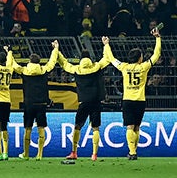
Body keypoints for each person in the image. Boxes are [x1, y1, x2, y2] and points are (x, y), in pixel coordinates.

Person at [103, 26, 162, 160]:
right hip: (140, 100)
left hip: (128, 100)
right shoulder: (144, 67)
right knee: (136, 127)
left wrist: (106, 45)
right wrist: (158, 38)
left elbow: (111, 59)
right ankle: (133, 151)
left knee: (130, 127)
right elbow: (156, 55)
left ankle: (132, 152)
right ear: (140, 58)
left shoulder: (124, 67)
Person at [58, 43, 110, 161]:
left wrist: (57, 51)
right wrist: (106, 45)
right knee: (95, 128)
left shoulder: (77, 69)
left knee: (77, 127)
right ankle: (94, 154)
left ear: (80, 59)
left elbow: (64, 64)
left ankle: (74, 152)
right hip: (96, 101)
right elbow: (106, 59)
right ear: (90, 59)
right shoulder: (96, 67)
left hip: (84, 103)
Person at [11, 40, 59, 161]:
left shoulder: (24, 71)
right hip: (42, 103)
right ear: (39, 62)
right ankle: (40, 154)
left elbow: (13, 65)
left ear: (29, 61)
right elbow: (52, 62)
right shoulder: (43, 70)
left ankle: (26, 154)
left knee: (28, 128)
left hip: (29, 104)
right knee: (41, 128)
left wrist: (9, 53)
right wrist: (55, 49)